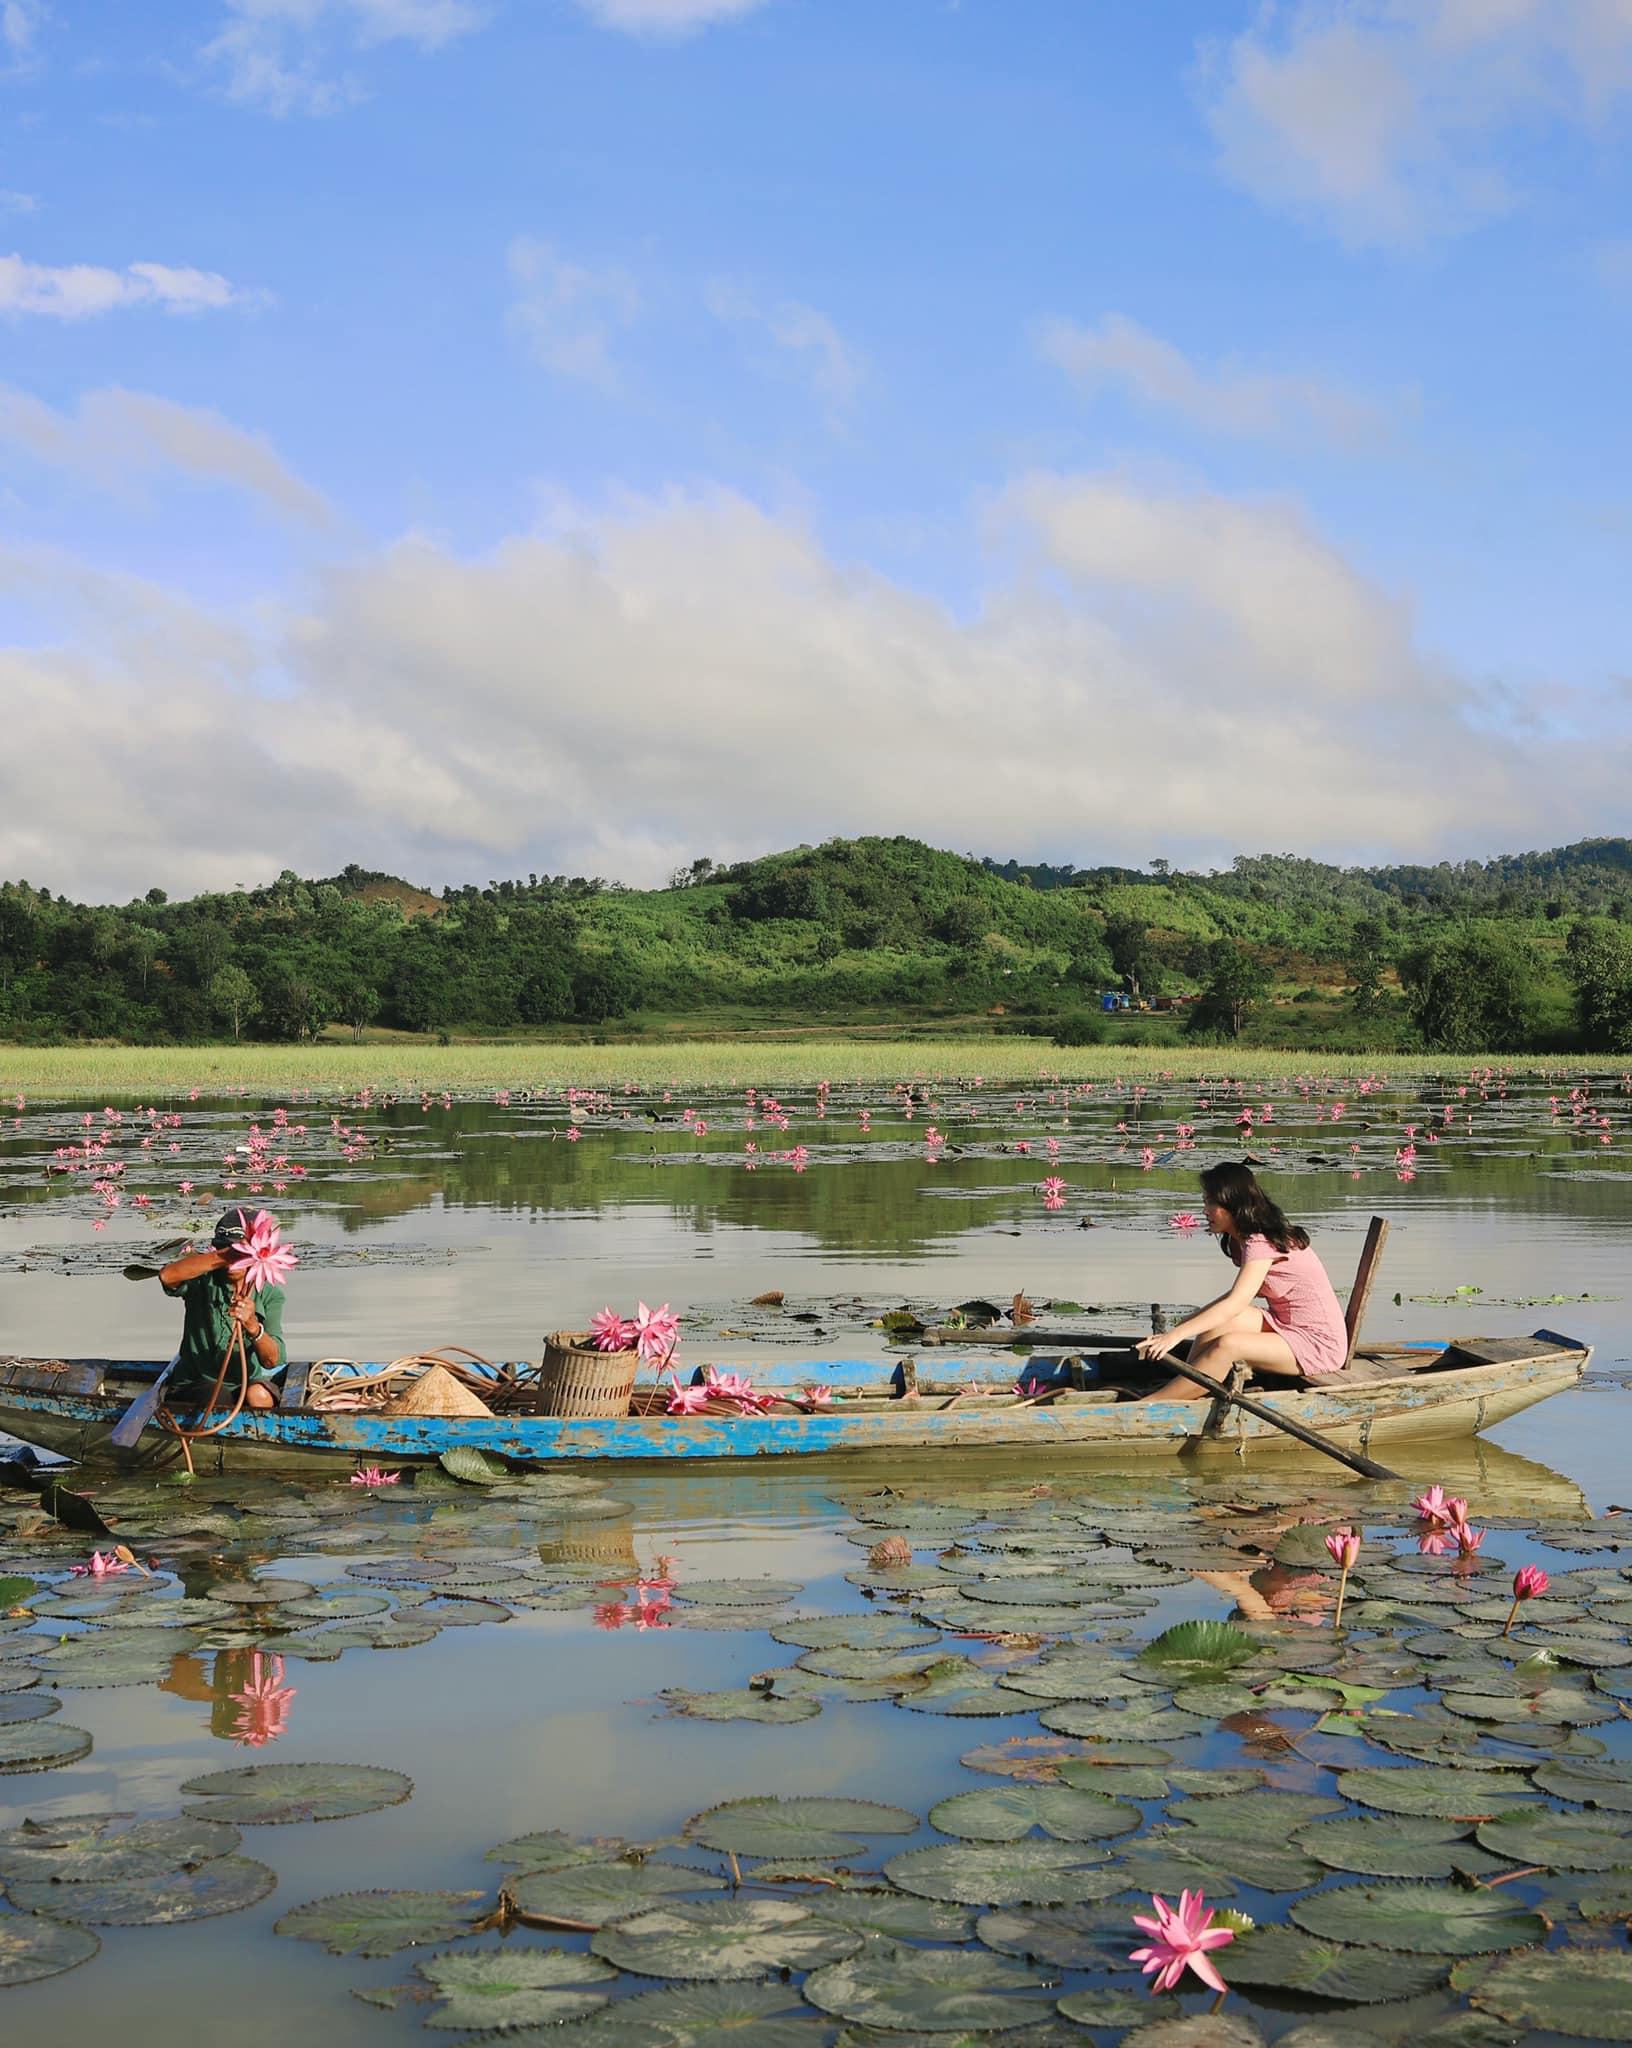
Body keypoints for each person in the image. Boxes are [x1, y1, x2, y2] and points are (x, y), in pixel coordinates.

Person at [1135, 1161, 1347, 1400]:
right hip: (1285, 1325)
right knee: (1217, 1325)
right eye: (1206, 1201)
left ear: (1233, 1204)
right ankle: (1187, 1384)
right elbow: (1233, 1300)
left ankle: (1150, 1405)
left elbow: (1234, 1303)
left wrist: (1175, 1336)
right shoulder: (1243, 1239)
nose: (1205, 1211)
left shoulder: (1261, 1242)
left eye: (1211, 1203)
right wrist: (1179, 1329)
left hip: (1318, 1344)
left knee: (1229, 1345)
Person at [158, 1208, 287, 1412]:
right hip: (194, 1384)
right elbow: (167, 1276)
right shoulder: (201, 1279)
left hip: (244, 1383)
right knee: (217, 1395)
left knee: (259, 1395)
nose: (232, 1265)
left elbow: (272, 1361)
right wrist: (229, 1255)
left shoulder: (269, 1293)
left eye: (242, 1256)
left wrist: (253, 1326)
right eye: (226, 1252)